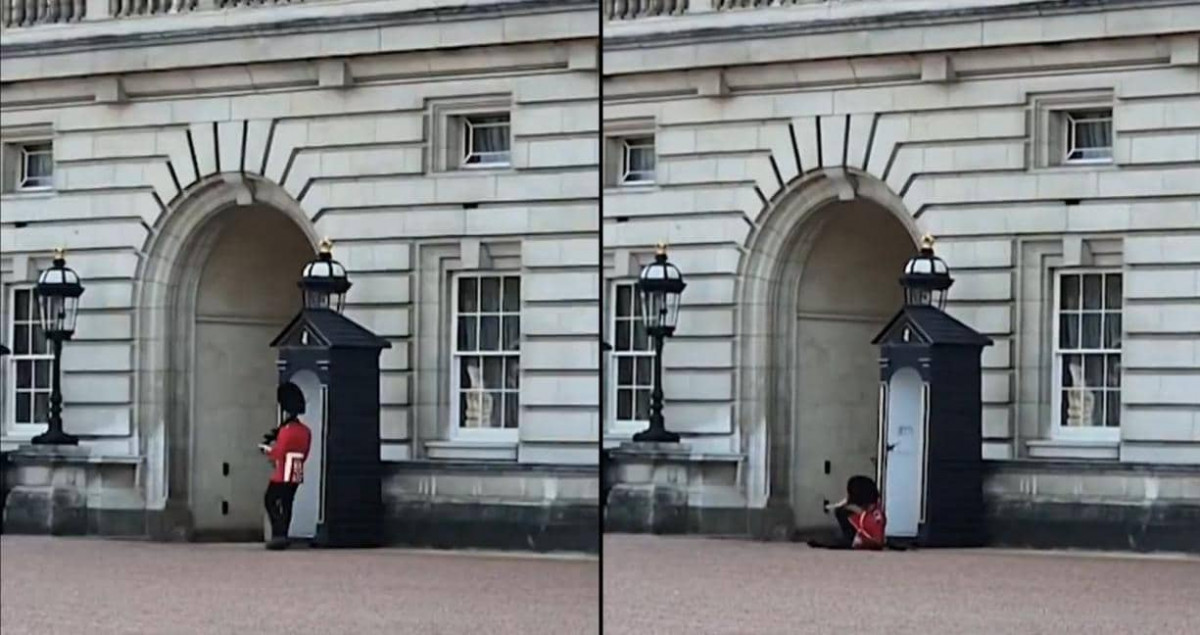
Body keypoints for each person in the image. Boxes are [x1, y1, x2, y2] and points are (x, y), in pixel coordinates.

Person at [261, 382, 312, 551]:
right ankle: (282, 534)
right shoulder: (305, 430)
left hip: (283, 470)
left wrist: (266, 450)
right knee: (287, 503)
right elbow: (305, 452)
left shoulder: (287, 430)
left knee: (270, 500)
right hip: (296, 470)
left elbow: (279, 452)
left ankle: (278, 533)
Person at [809, 475, 887, 550]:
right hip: (858, 534)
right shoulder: (869, 508)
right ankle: (844, 539)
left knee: (834, 541)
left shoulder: (876, 514)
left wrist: (860, 542)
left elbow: (878, 541)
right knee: (841, 511)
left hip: (860, 540)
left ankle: (844, 540)